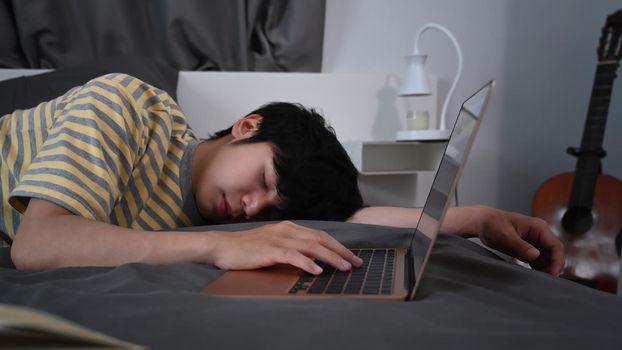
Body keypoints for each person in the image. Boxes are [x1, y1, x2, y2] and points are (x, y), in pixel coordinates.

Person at [1, 73, 564, 276]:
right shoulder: (125, 105)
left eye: (272, 210)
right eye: (266, 183)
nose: (252, 210)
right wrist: (216, 250)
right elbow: (38, 242)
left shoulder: (204, 208)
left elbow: (351, 217)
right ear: (247, 126)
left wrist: (472, 218)